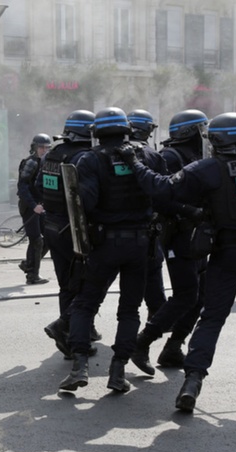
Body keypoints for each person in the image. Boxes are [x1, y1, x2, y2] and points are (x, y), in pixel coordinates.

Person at [116, 111, 236, 411]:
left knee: (212, 319)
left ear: (217, 141)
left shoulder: (208, 169)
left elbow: (161, 188)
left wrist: (133, 162)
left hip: (228, 253)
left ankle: (192, 382)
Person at [58, 107, 166, 393]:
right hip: (141, 244)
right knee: (129, 310)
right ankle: (117, 372)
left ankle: (79, 367)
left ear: (97, 133)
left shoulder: (90, 160)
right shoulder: (150, 156)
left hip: (105, 244)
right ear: (126, 130)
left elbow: (86, 204)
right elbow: (163, 195)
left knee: (85, 304)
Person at [130, 109, 210, 372]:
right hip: (177, 233)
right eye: (202, 129)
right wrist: (190, 211)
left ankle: (174, 347)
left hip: (197, 235)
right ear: (191, 131)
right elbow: (160, 197)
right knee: (187, 293)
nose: (206, 134)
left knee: (199, 296)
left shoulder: (200, 155)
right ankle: (143, 342)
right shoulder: (171, 156)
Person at [37, 110, 101, 356]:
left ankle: (82, 331)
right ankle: (72, 336)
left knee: (66, 284)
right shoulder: (85, 157)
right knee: (84, 284)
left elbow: (39, 186)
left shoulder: (52, 154)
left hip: (52, 226)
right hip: (74, 229)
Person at [128, 109, 167, 321]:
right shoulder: (153, 156)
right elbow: (164, 194)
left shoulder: (101, 154)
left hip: (106, 232)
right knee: (152, 275)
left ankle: (71, 324)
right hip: (146, 230)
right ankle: (159, 318)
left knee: (98, 284)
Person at [17, 133, 52, 285]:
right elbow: (22, 187)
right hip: (29, 206)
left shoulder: (45, 162)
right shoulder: (31, 163)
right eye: (41, 147)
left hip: (40, 205)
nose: (44, 150)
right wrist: (33, 206)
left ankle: (28, 264)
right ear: (35, 148)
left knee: (50, 237)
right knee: (36, 240)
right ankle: (32, 275)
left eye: (46, 147)